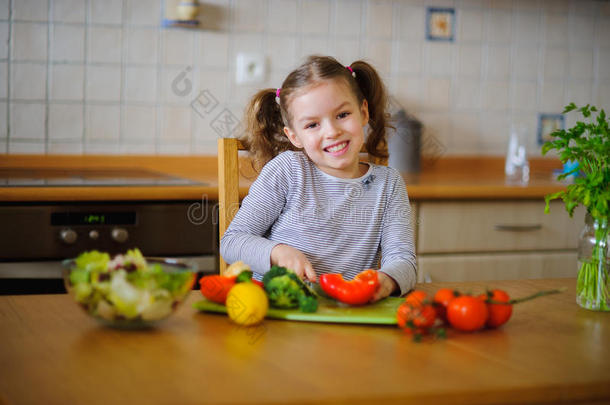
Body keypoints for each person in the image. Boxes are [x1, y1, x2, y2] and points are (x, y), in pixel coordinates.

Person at [220, 55, 416, 301]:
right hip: (278, 312)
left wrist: (387, 281)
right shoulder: (288, 170)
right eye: (312, 125)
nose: (332, 131)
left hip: (345, 315)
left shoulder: (388, 184)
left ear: (363, 112)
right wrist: (277, 252)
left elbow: (404, 261)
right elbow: (231, 242)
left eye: (342, 114)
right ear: (294, 137)